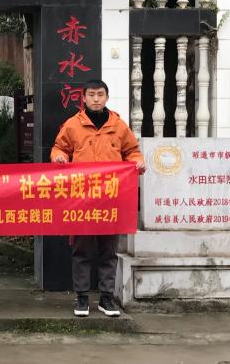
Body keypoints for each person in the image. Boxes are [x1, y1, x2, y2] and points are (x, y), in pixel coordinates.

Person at [50, 79, 145, 318]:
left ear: (106, 97)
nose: (96, 99)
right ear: (83, 98)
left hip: (110, 198)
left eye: (100, 94)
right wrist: (59, 157)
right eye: (91, 94)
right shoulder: (73, 125)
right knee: (82, 249)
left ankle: (106, 298)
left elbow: (132, 151)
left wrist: (137, 162)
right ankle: (82, 297)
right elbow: (59, 148)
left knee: (108, 250)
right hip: (82, 198)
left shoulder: (118, 125)